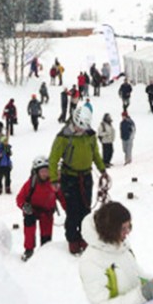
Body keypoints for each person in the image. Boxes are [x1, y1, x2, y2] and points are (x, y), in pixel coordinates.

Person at [48, 104, 109, 255]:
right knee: (73, 212)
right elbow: (53, 159)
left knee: (86, 211)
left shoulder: (90, 135)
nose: (81, 130)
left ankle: (85, 238)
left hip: (86, 177)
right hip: (69, 178)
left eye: (83, 127)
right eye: (78, 127)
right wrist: (54, 179)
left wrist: (102, 170)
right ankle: (72, 240)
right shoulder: (63, 137)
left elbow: (95, 153)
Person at [16, 156, 67, 261]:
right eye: (42, 171)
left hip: (47, 212)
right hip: (32, 210)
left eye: (47, 171)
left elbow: (61, 197)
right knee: (29, 227)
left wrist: (68, 209)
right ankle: (29, 249)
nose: (45, 174)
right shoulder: (31, 183)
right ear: (36, 172)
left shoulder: (54, 183)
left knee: (46, 234)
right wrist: (24, 206)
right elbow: (20, 198)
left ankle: (45, 251)